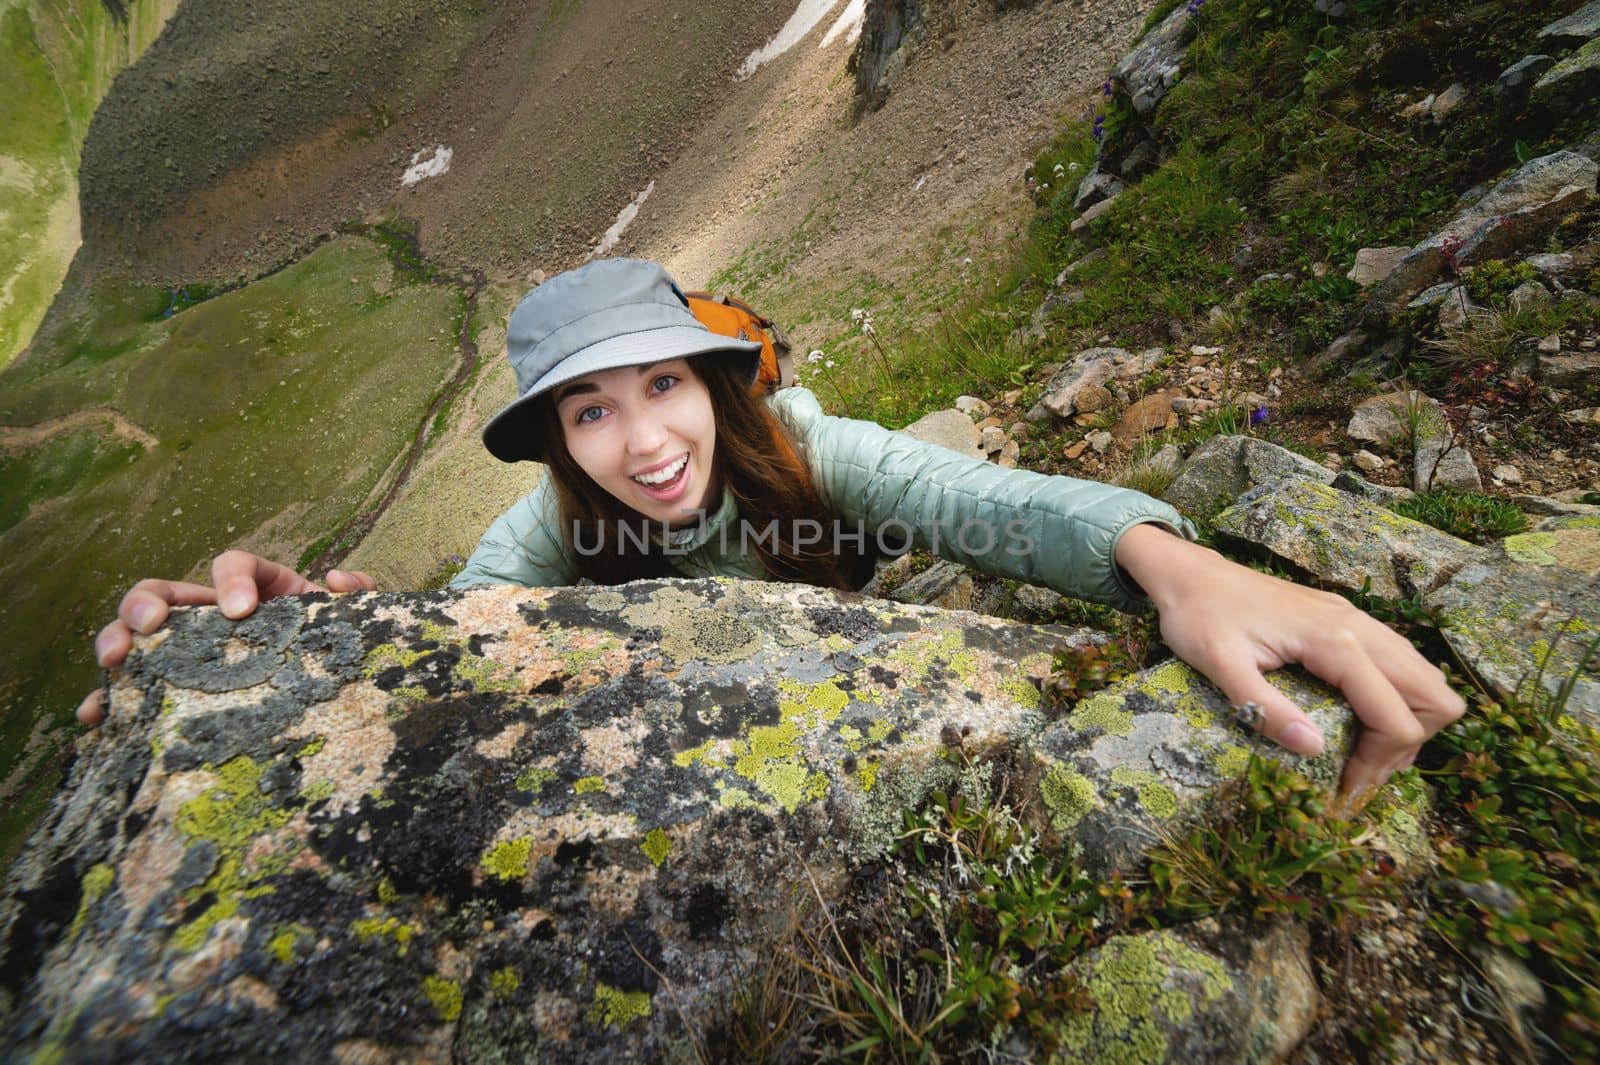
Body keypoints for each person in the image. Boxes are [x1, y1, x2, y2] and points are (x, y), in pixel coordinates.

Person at [81, 258, 1464, 800]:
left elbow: (989, 506)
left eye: (666, 385)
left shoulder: (805, 447)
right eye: (590, 414)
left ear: (714, 383)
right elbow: (454, 622)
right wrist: (307, 632)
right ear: (559, 443)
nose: (644, 442)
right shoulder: (553, 524)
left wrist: (1180, 566)